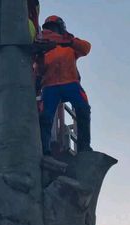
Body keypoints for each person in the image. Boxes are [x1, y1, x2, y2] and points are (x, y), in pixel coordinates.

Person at [36, 15, 91, 154]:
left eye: (53, 28)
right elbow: (39, 70)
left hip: (70, 82)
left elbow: (86, 48)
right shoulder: (43, 46)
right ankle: (45, 150)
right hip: (50, 85)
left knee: (83, 108)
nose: (51, 31)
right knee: (46, 117)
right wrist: (41, 55)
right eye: (49, 29)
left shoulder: (69, 44)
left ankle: (84, 147)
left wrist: (70, 41)